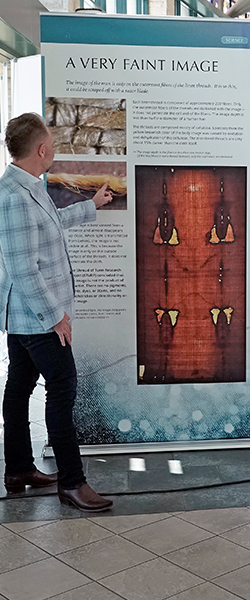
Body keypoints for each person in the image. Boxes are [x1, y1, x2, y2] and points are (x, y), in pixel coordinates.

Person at [0, 113, 113, 512]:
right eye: (52, 144)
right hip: (36, 317)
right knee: (62, 388)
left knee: (19, 388)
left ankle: (18, 471)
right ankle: (72, 482)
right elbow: (22, 269)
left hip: (25, 316)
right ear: (42, 148)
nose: (54, 151)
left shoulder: (27, 185)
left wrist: (90, 205)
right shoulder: (15, 196)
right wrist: (55, 317)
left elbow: (52, 223)